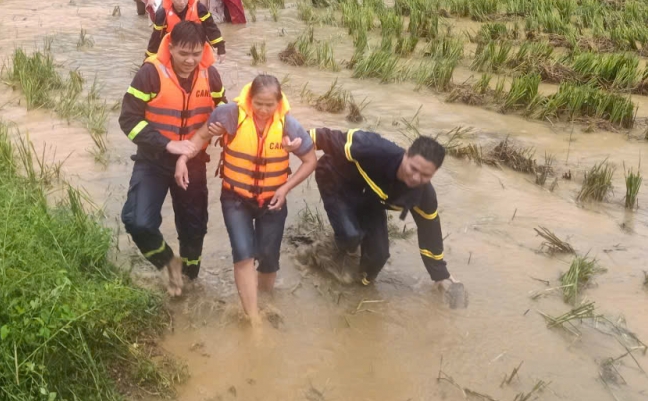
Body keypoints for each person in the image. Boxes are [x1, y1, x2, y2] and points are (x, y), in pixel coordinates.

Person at [176, 75, 317, 324]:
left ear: (278, 102)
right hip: (235, 198)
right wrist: (182, 159)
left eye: (269, 105)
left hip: (273, 200)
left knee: (269, 258)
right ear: (250, 99)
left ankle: (263, 301)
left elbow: (310, 161)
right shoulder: (229, 115)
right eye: (258, 104)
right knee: (243, 253)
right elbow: (200, 136)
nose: (263, 110)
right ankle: (254, 320)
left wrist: (285, 188)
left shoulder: (289, 126)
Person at [120, 22, 227, 296]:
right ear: (170, 47)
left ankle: (190, 282)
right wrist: (168, 145)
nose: (190, 60)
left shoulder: (211, 76)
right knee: (137, 222)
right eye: (183, 54)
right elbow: (129, 120)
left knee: (194, 228)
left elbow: (224, 113)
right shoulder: (149, 74)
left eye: (196, 53)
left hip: (193, 162)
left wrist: (221, 129)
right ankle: (169, 263)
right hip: (153, 159)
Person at [310, 130, 461, 294]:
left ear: (434, 173)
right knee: (350, 236)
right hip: (336, 179)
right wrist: (286, 143)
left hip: (371, 200)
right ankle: (340, 247)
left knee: (378, 257)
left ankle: (359, 288)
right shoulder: (375, 149)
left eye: (425, 175)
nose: (416, 178)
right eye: (413, 168)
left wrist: (439, 274)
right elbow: (324, 137)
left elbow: (429, 230)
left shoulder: (423, 194)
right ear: (407, 154)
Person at [147, 0, 226, 60]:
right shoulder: (162, 13)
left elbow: (211, 28)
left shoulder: (199, 8)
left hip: (196, 47)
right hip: (175, 49)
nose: (182, 2)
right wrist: (148, 58)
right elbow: (156, 38)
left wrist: (221, 48)